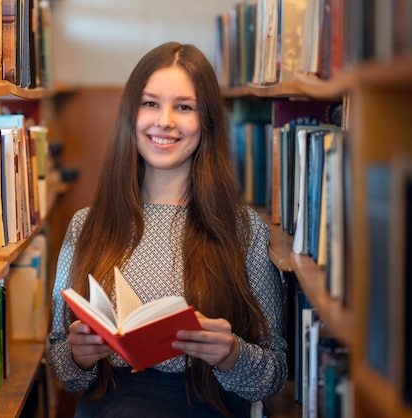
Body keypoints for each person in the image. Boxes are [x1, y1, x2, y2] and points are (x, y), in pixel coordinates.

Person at [48, 42, 287, 418]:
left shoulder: (243, 230)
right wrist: (78, 357)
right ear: (132, 114)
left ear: (206, 120)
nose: (165, 121)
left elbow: (274, 376)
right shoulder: (85, 225)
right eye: (150, 103)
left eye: (184, 107)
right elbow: (64, 371)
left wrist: (232, 355)